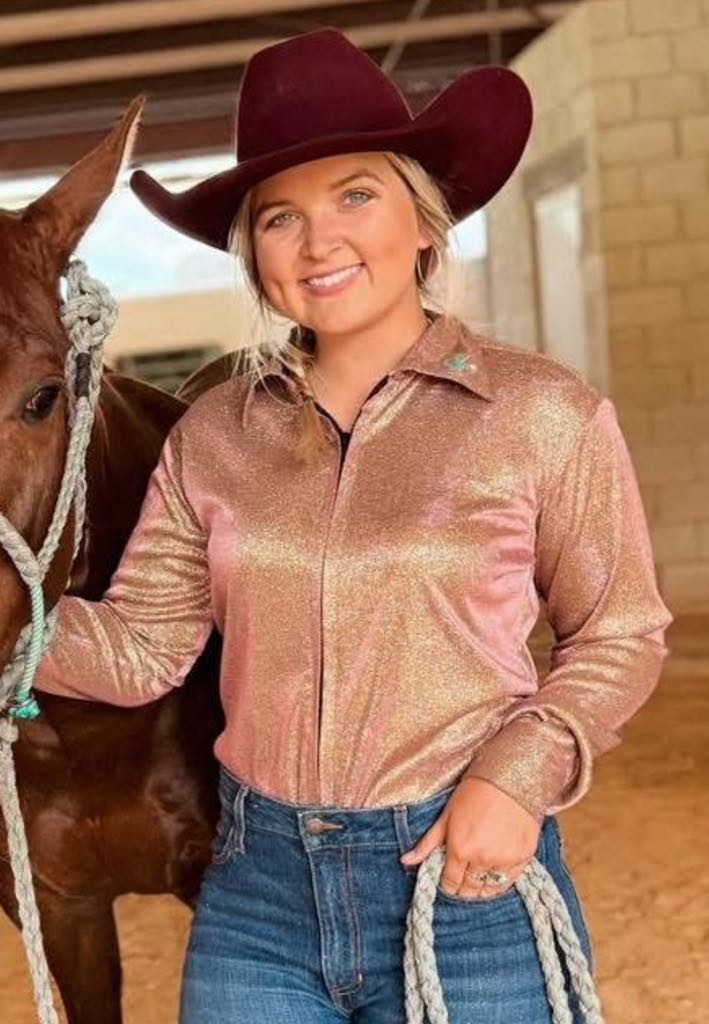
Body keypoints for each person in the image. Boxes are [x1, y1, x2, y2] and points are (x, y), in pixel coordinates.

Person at [33, 26, 673, 1024]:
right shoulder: (211, 439)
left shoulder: (543, 414)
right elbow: (144, 646)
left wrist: (520, 772)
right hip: (258, 895)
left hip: (464, 882)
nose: (318, 241)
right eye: (279, 217)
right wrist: (13, 627)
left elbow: (620, 629)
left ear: (423, 222)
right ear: (257, 257)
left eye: (355, 196)